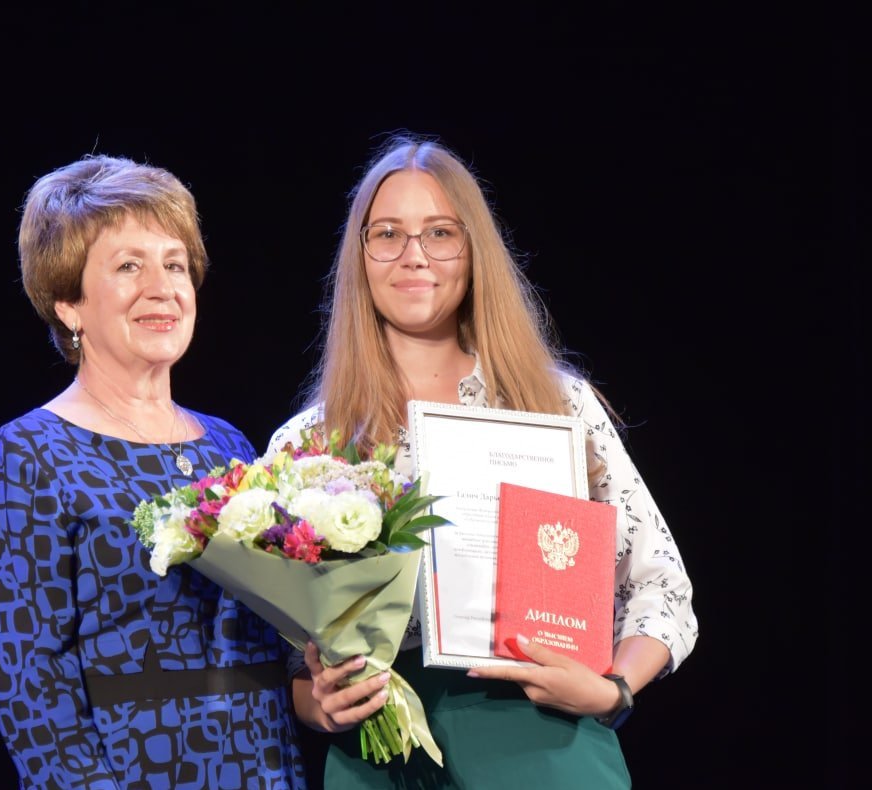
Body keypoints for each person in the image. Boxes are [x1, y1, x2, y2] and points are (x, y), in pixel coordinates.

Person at [265, 133, 698, 788]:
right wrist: (318, 704)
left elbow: (661, 584)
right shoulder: (309, 445)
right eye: (387, 234)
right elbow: (281, 661)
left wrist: (613, 689)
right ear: (360, 257)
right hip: (385, 753)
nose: (414, 256)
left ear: (473, 253)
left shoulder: (555, 408)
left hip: (546, 744)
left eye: (440, 233)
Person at [0, 153, 307, 788]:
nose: (164, 287)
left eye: (175, 265)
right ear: (68, 301)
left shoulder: (229, 445)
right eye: (130, 266)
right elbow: (31, 691)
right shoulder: (32, 452)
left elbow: (272, 637)